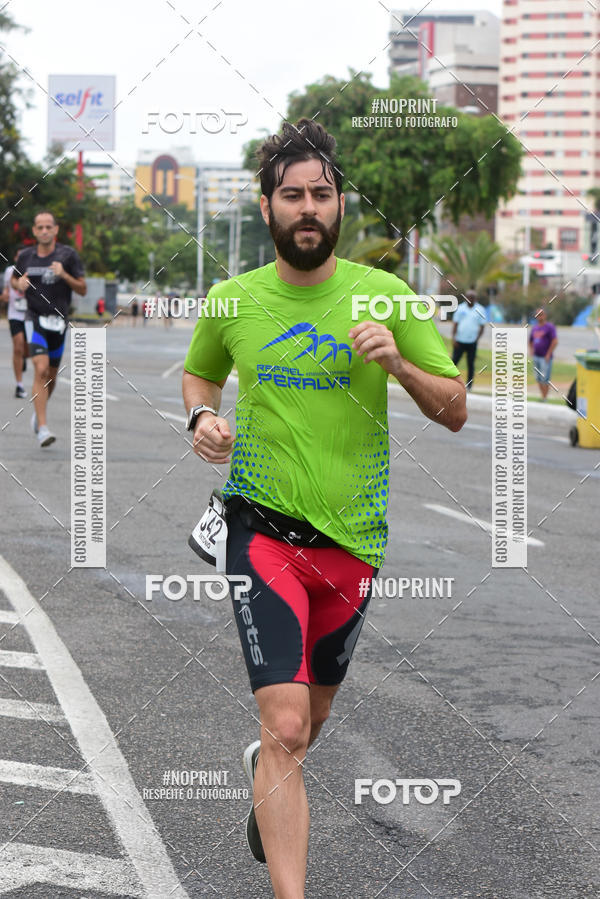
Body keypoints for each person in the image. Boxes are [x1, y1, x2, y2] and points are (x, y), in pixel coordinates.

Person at [182, 119, 467, 898]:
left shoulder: (387, 296)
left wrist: (399, 362)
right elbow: (201, 376)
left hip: (354, 545)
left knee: (302, 730)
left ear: (340, 204)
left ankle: (265, 775)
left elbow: (456, 408)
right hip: (261, 529)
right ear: (267, 206)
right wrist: (201, 419)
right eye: (292, 194)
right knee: (287, 725)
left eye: (321, 193)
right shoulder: (233, 299)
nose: (308, 207)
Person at [12, 211, 87, 447]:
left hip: (58, 322)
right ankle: (43, 428)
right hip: (34, 318)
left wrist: (64, 274)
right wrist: (18, 283)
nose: (44, 231)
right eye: (40, 227)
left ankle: (38, 412)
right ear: (34, 231)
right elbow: (15, 280)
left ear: (55, 230)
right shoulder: (26, 256)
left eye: (48, 227)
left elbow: (83, 289)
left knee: (51, 377)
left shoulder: (68, 255)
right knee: (40, 369)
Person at [3, 248, 28, 398]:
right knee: (17, 346)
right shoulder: (9, 271)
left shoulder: (32, 270)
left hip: (30, 315)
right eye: (19, 256)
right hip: (15, 314)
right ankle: (19, 385)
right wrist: (6, 294)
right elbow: (7, 288)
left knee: (27, 349)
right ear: (16, 257)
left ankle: (23, 358)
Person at [451, 288, 486, 390]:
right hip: (459, 341)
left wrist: (477, 339)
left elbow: (482, 327)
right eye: (468, 297)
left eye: (472, 297)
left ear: (475, 299)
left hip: (472, 342)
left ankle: (469, 385)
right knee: (454, 362)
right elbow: (455, 324)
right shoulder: (460, 308)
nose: (470, 299)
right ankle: (450, 382)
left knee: (470, 364)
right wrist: (454, 338)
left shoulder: (480, 309)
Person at [529, 306, 558, 400]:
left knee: (545, 379)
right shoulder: (535, 328)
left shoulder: (549, 327)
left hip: (545, 357)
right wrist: (531, 350)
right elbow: (530, 341)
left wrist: (548, 354)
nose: (539, 316)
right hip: (536, 357)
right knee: (538, 378)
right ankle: (543, 396)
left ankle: (544, 398)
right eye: (537, 315)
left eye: (541, 314)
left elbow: (555, 341)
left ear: (545, 315)